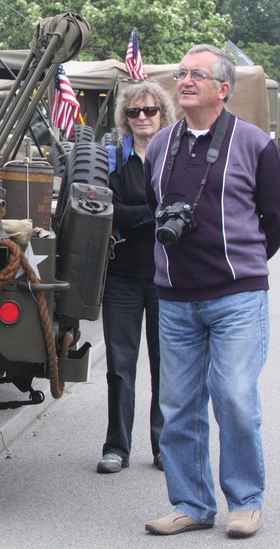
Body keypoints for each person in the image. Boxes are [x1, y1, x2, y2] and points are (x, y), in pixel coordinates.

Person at [144, 45, 280, 538]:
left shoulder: (255, 144)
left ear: (223, 88)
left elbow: (274, 216)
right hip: (175, 299)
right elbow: (155, 207)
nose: (184, 81)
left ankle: (245, 502)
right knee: (178, 405)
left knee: (236, 399)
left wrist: (243, 264)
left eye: (197, 75)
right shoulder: (160, 146)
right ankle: (191, 504)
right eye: (181, 73)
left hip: (236, 298)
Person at [96, 81, 175, 476]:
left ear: (163, 113)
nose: (142, 118)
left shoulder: (175, 157)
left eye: (149, 111)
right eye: (134, 112)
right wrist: (157, 214)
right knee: (119, 366)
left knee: (167, 366)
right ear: (124, 118)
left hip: (167, 278)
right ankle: (117, 447)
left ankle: (164, 447)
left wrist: (136, 215)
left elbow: (183, 208)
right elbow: (108, 212)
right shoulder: (113, 159)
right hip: (122, 277)